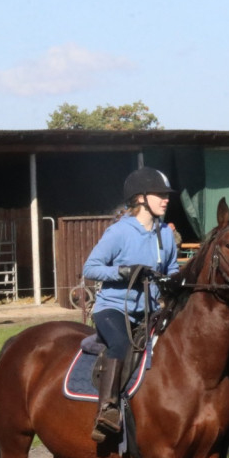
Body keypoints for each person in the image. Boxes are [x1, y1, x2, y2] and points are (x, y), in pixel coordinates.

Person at [82, 166, 179, 442]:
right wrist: (122, 272)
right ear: (140, 198)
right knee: (121, 344)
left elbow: (171, 269)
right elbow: (90, 268)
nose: (166, 199)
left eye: (166, 195)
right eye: (160, 194)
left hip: (149, 311)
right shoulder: (119, 232)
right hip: (113, 309)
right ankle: (107, 410)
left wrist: (175, 284)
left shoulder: (166, 234)